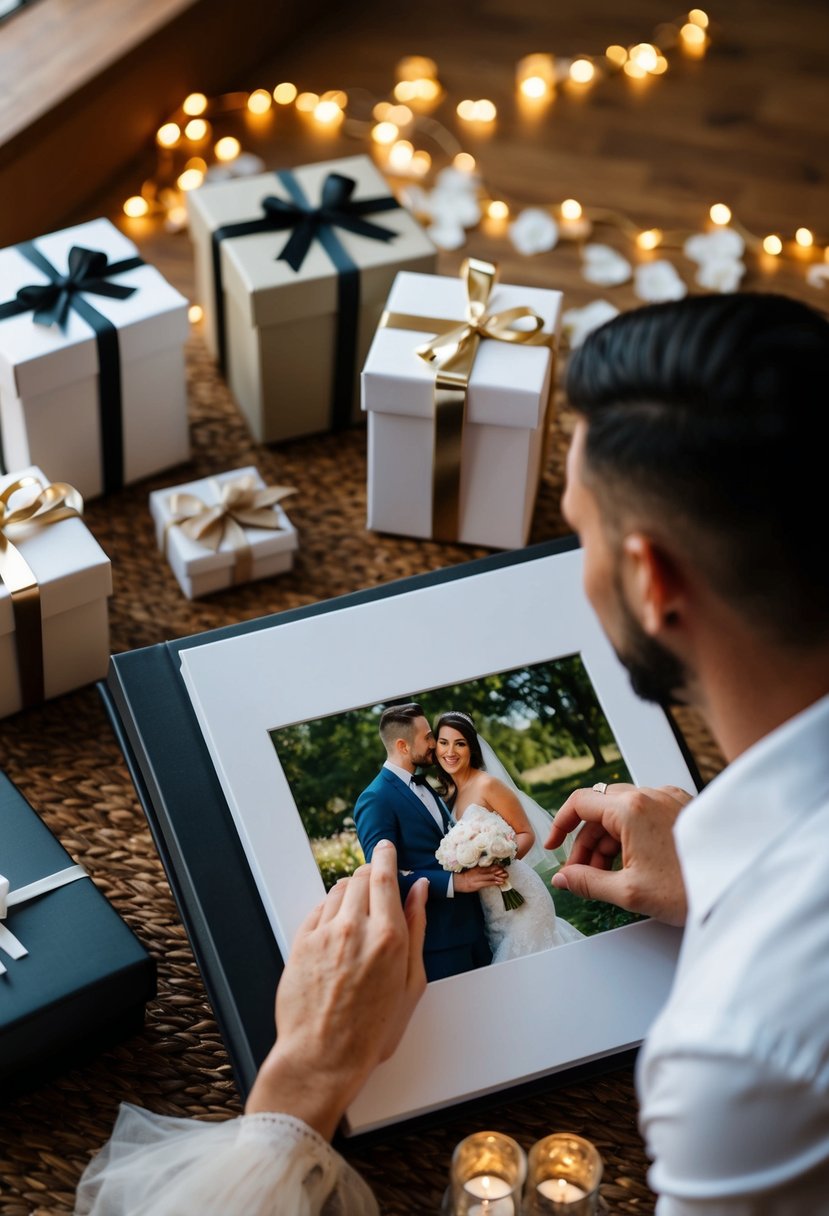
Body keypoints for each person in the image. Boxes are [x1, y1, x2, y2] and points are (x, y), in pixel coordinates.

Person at [76, 293, 829, 1214]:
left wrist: (302, 1082)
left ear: (649, 578)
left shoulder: (741, 1048)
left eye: (576, 533)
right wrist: (734, 867)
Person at [353, 702, 498, 981]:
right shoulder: (375, 799)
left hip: (478, 925)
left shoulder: (425, 784)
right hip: (439, 942)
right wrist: (456, 883)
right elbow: (385, 877)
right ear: (403, 746)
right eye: (428, 737)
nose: (434, 744)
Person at [433, 709, 583, 962]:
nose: (450, 752)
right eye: (443, 743)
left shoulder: (488, 784)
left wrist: (499, 860)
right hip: (490, 906)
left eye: (460, 743)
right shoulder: (447, 794)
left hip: (520, 894)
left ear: (472, 748)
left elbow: (526, 833)